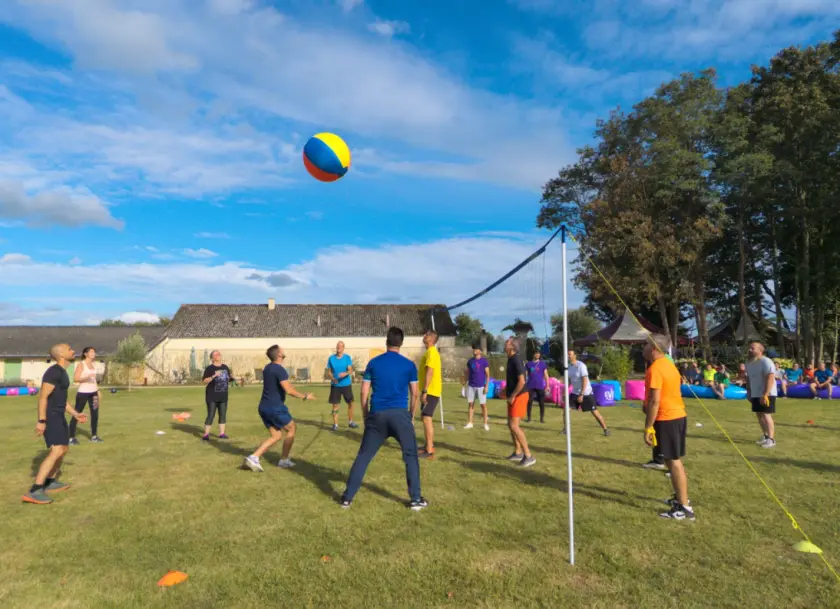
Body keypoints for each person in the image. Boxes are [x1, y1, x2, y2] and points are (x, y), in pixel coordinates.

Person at [340, 326, 427, 510]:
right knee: (410, 456)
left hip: (377, 415)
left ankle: (347, 498)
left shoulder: (373, 363)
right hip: (400, 416)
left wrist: (366, 415)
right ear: (401, 343)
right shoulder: (409, 365)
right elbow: (415, 394)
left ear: (386, 341)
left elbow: (364, 392)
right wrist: (411, 415)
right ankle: (415, 499)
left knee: (364, 456)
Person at [22, 344, 88, 505]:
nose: (73, 351)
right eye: (70, 349)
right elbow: (43, 397)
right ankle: (35, 490)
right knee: (57, 450)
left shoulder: (62, 372)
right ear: (62, 355)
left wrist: (75, 414)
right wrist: (41, 421)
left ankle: (50, 481)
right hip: (51, 416)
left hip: (59, 415)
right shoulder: (53, 372)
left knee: (64, 449)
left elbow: (62, 400)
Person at [642, 334, 694, 520]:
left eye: (646, 345)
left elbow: (655, 401)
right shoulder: (668, 364)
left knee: (673, 461)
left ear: (654, 348)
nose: (643, 348)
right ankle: (680, 498)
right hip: (676, 415)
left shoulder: (656, 368)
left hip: (667, 418)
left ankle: (684, 508)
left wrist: (648, 427)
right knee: (671, 460)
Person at [243, 345, 314, 472]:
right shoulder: (280, 369)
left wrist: (290, 387)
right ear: (279, 354)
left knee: (276, 435)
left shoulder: (267, 368)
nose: (284, 350)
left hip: (264, 407)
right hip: (274, 407)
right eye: (282, 350)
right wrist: (305, 396)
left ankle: (254, 457)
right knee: (292, 428)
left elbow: (280, 384)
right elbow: (288, 390)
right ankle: (284, 460)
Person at [504, 337, 536, 467]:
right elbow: (513, 380)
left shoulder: (516, 360)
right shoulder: (511, 359)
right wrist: (504, 391)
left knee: (514, 425)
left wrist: (513, 395)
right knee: (510, 424)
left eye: (507, 342)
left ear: (512, 346)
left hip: (520, 396)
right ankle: (518, 452)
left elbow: (522, 381)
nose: (505, 343)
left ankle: (528, 456)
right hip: (514, 395)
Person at [564, 349, 610, 436]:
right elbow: (570, 380)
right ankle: (565, 429)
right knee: (566, 410)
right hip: (575, 393)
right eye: (567, 354)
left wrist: (581, 394)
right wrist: (565, 391)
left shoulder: (581, 366)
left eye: (570, 354)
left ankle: (606, 430)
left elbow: (585, 380)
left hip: (586, 393)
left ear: (574, 356)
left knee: (595, 412)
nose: (568, 356)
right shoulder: (569, 367)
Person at [745, 342, 777, 449]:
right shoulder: (748, 363)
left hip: (767, 393)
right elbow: (748, 378)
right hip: (755, 393)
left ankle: (771, 439)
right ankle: (765, 436)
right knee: (759, 415)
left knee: (766, 415)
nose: (750, 350)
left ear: (760, 350)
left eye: (752, 348)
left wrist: (765, 394)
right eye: (749, 348)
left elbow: (770, 377)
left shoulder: (766, 361)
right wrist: (749, 391)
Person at [69, 346, 102, 444]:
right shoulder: (81, 364)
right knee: (77, 413)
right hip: (83, 393)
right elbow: (75, 378)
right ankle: (71, 437)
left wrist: (98, 390)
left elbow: (94, 380)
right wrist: (87, 377)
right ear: (85, 354)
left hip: (94, 393)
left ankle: (94, 436)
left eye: (94, 352)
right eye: (91, 352)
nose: (93, 354)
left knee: (95, 414)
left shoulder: (93, 365)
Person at [418, 330, 442, 459]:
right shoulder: (429, 352)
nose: (424, 336)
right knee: (424, 417)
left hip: (431, 391)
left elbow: (430, 372)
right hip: (429, 390)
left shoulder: (432, 352)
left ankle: (429, 451)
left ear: (431, 339)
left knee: (427, 418)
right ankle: (428, 445)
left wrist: (425, 391)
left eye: (426, 335)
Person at [201, 350, 236, 440]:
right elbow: (204, 381)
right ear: (212, 358)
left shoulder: (225, 367)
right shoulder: (210, 368)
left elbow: (227, 378)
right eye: (216, 354)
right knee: (211, 415)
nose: (218, 355)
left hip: (223, 395)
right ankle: (206, 434)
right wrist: (214, 376)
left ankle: (222, 433)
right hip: (212, 396)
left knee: (222, 415)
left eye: (219, 354)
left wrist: (231, 378)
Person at [326, 341, 358, 431]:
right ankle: (335, 425)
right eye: (337, 345)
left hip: (346, 385)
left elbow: (350, 370)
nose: (338, 347)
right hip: (335, 385)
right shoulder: (331, 358)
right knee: (335, 405)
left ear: (343, 348)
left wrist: (345, 373)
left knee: (351, 403)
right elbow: (329, 372)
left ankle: (350, 422)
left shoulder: (347, 358)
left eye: (340, 346)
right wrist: (333, 378)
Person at [463, 342, 490, 431]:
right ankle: (470, 423)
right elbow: (467, 373)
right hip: (471, 386)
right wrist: (464, 383)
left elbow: (487, 375)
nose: (474, 350)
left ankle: (485, 424)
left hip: (481, 386)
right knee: (471, 404)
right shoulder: (470, 361)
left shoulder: (484, 361)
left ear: (480, 351)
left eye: (476, 349)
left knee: (483, 405)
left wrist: (486, 386)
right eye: (473, 349)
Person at [525, 350, 550, 423]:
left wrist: (547, 386)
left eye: (538, 354)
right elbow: (525, 375)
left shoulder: (542, 364)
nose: (537, 355)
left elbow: (546, 375)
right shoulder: (528, 364)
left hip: (540, 386)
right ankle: (529, 418)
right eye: (536, 353)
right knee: (529, 402)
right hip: (530, 385)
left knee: (541, 403)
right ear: (533, 354)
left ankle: (542, 419)